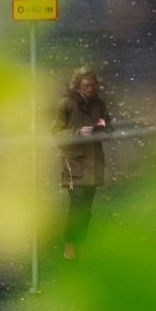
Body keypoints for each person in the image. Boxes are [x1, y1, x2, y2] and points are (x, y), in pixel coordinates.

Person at [55, 67, 111, 259]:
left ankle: (81, 241)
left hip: (94, 164)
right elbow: (56, 133)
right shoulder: (66, 105)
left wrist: (100, 130)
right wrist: (77, 134)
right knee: (77, 205)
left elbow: (108, 128)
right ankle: (70, 242)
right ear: (78, 85)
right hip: (74, 164)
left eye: (93, 85)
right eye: (87, 86)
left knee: (86, 208)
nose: (90, 89)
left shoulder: (99, 105)